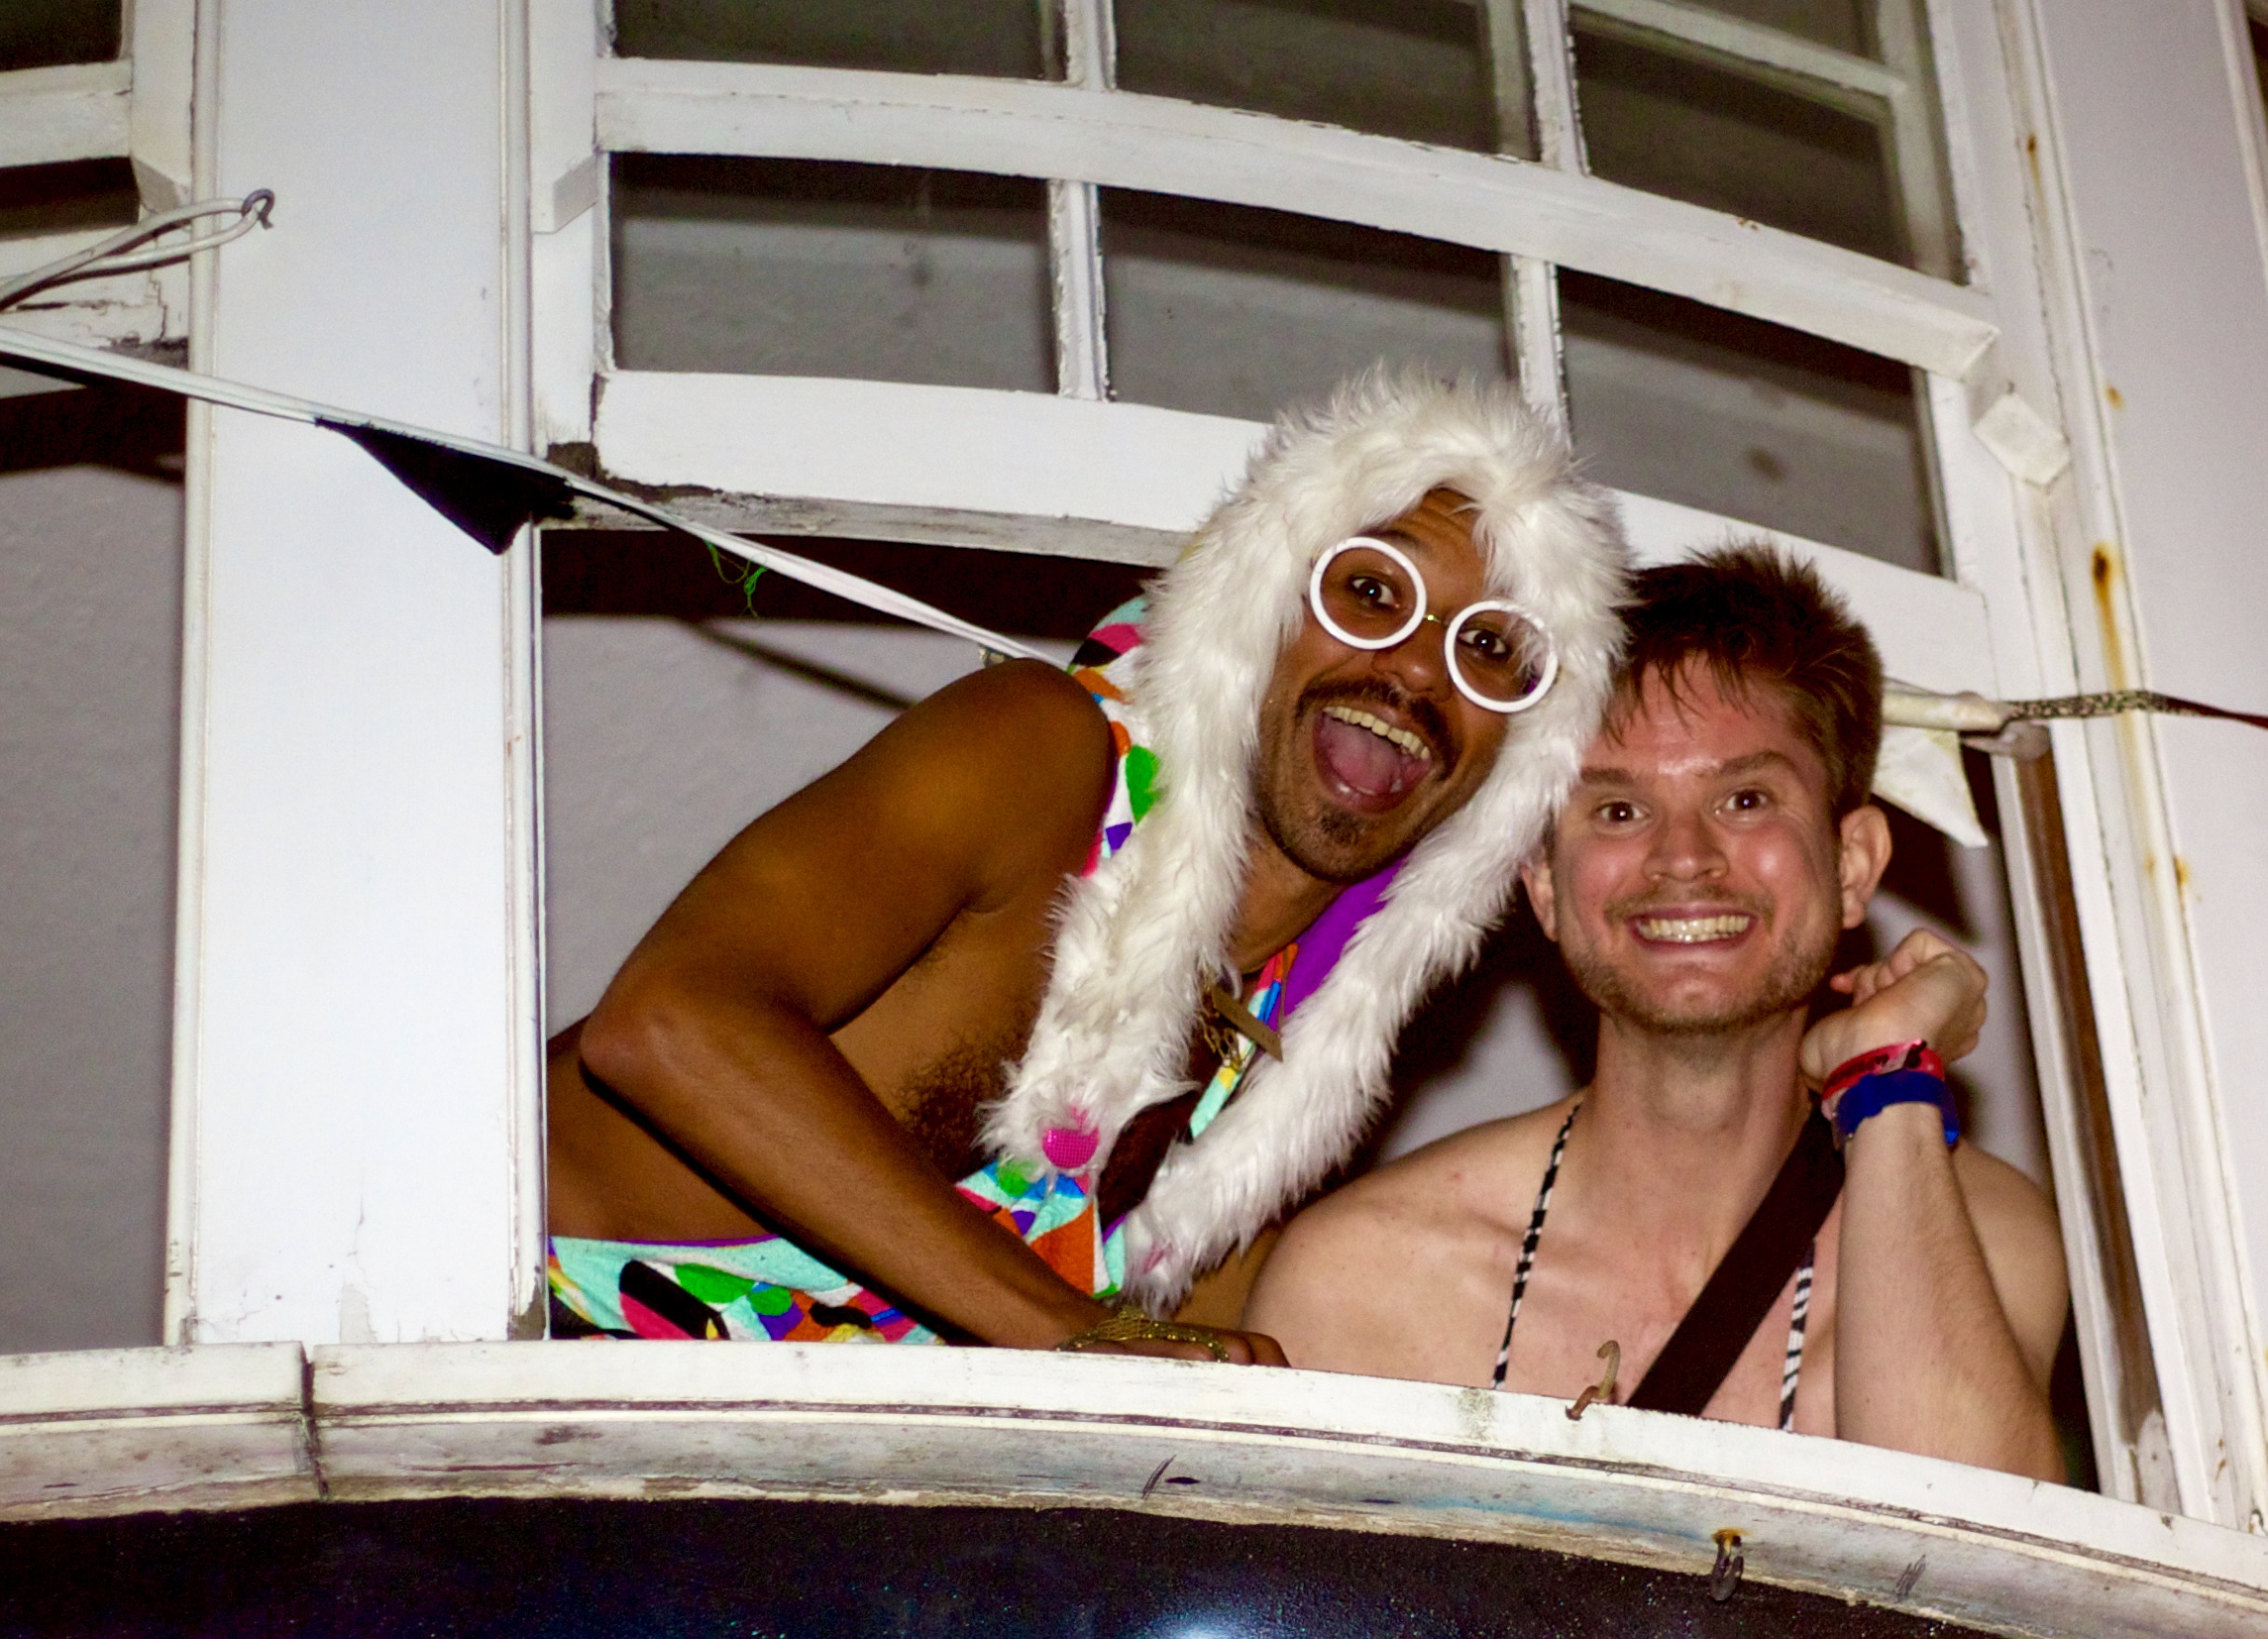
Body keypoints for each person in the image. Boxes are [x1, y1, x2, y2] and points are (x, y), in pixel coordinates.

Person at [544, 368, 1630, 1357]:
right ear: (1258, 598)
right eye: (1373, 590)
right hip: (482, 1334)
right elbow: (669, 1026)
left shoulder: (1291, 1065)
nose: (1418, 672)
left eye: (1492, 648)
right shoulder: (1041, 754)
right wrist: (1070, 1329)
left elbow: (1192, 1367)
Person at [1245, 545, 2070, 1476]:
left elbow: (1964, 1546)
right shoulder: (1363, 1278)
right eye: (1618, 811)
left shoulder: (1979, 1231)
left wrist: (1889, 1078)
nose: (1683, 857)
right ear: (1544, 884)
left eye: (1744, 799)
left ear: (1851, 865)